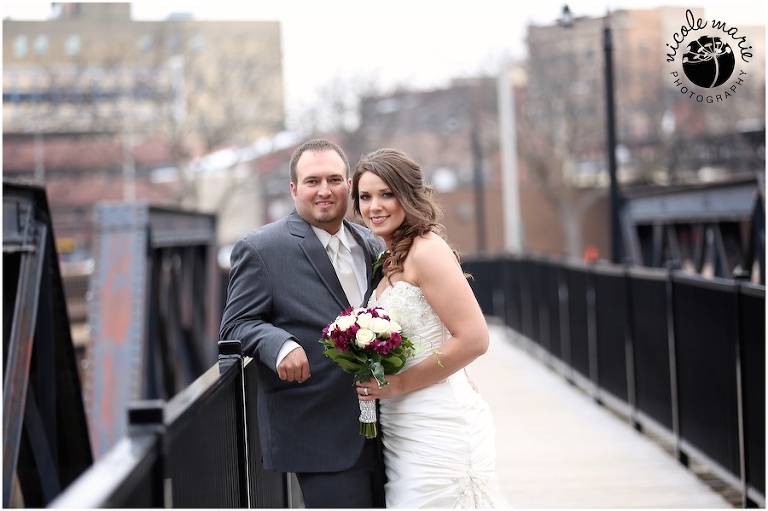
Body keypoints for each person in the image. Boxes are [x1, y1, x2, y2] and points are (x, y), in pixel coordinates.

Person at [219, 138, 386, 508]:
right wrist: (279, 344)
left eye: (334, 180)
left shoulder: (373, 244)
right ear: (294, 189)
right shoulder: (261, 249)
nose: (324, 191)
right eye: (312, 181)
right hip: (320, 432)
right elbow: (235, 325)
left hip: (391, 429)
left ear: (349, 186)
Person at [351, 147, 508, 508]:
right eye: (365, 197)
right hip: (402, 425)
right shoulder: (389, 257)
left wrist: (398, 383)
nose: (375, 206)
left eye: (386, 193)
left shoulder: (426, 249)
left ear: (408, 194)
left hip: (438, 422)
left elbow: (474, 338)